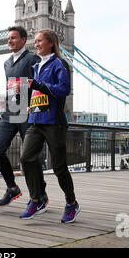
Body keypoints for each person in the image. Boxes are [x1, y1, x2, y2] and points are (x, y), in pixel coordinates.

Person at [17, 29, 80, 222]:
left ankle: (71, 203)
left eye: (39, 41)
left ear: (51, 42)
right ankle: (36, 199)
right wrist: (27, 100)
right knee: (26, 159)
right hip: (35, 121)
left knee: (59, 167)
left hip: (54, 122)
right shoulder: (37, 66)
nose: (35, 44)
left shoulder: (59, 63)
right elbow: (39, 93)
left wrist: (37, 85)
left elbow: (63, 90)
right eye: (34, 41)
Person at [0, 26, 47, 207]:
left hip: (27, 112)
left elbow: (40, 84)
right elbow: (11, 86)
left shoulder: (33, 59)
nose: (10, 41)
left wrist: (34, 104)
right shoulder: (7, 62)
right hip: (9, 112)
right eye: (8, 38)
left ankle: (41, 194)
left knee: (32, 157)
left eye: (13, 38)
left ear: (23, 40)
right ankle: (12, 187)